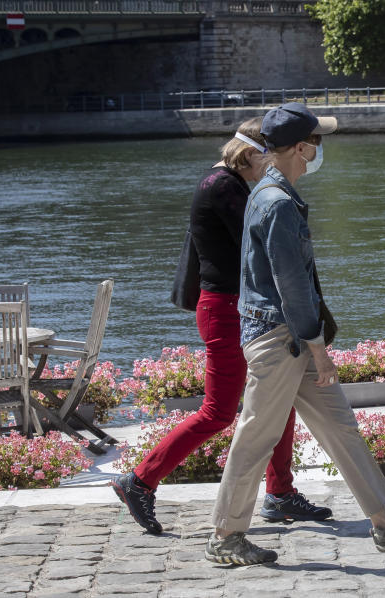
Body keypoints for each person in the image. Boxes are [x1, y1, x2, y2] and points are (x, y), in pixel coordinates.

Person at [205, 103, 385, 566]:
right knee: (256, 437)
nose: (319, 149)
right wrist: (319, 351)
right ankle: (225, 536)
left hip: (282, 334)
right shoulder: (277, 203)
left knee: (340, 427)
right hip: (282, 339)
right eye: (317, 141)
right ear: (299, 148)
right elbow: (291, 287)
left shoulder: (270, 192)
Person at [112, 117, 332, 535]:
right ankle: (139, 480)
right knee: (218, 411)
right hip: (228, 308)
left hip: (239, 307)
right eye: (270, 153)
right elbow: (263, 249)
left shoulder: (229, 184)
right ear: (251, 154)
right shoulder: (224, 187)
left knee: (278, 398)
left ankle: (281, 492)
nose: (277, 162)